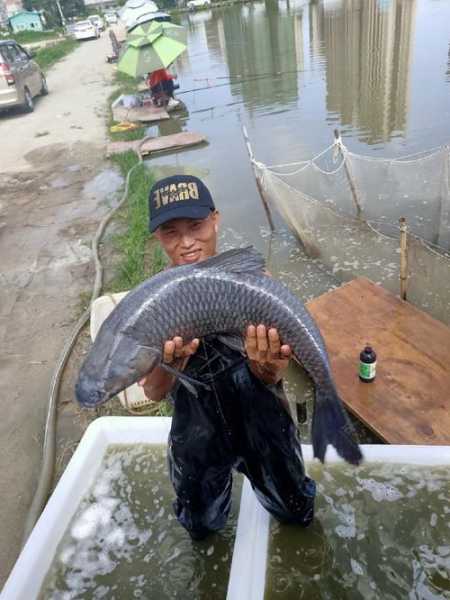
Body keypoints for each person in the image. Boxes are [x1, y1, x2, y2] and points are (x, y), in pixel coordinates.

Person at [138, 174, 316, 540]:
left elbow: (276, 373)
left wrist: (265, 368)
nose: (187, 243)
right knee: (201, 526)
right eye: (171, 232)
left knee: (296, 512)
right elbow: (154, 393)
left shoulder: (253, 282)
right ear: (157, 237)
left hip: (261, 420)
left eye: (197, 226)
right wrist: (170, 365)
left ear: (216, 219)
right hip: (197, 431)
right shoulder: (154, 306)